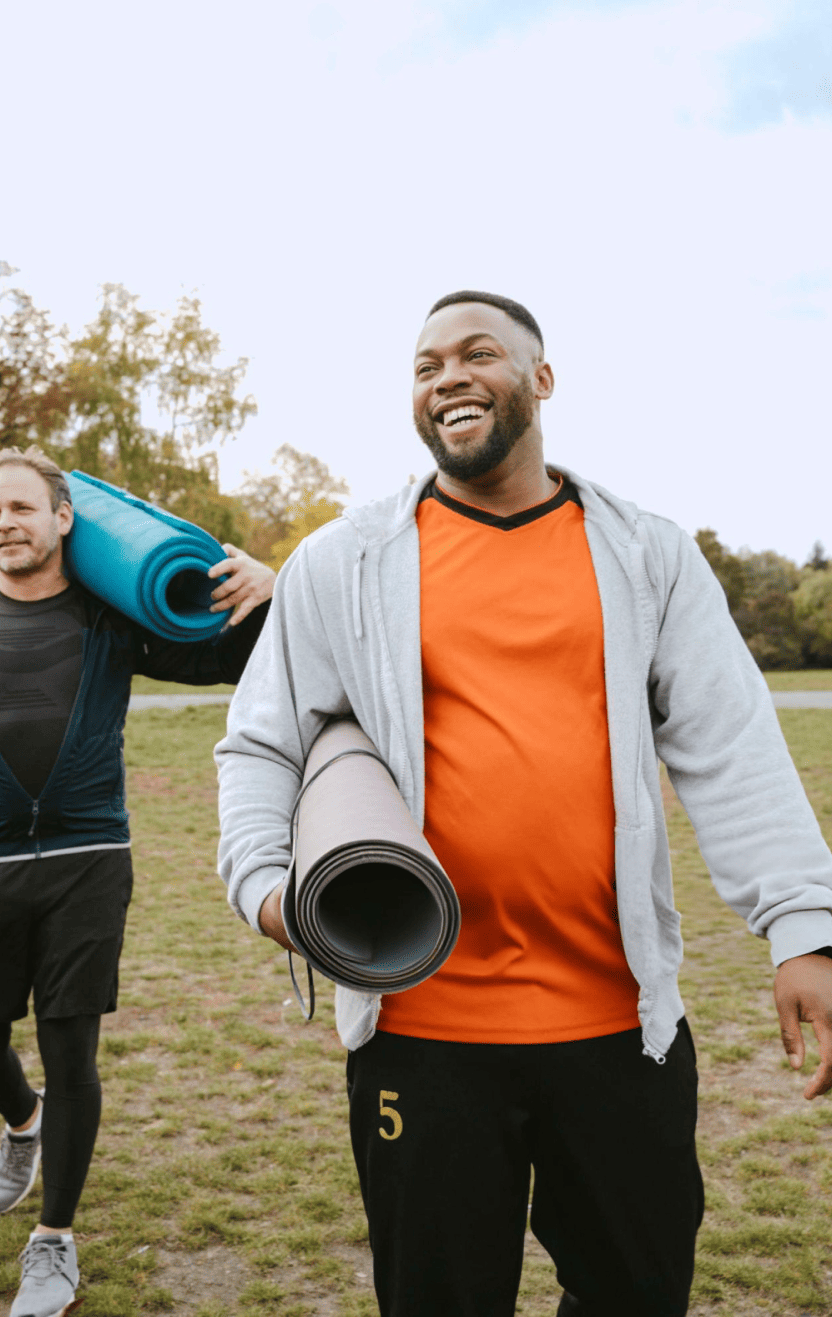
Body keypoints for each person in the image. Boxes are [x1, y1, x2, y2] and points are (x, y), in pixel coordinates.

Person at [215, 291, 832, 1317]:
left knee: (635, 1294)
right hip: (423, 1029)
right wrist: (266, 891)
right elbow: (262, 741)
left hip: (616, 1028)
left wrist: (802, 927)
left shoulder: (646, 553)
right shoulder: (344, 561)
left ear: (539, 380)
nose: (446, 376)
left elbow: (733, 747)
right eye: (423, 366)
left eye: (477, 353)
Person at [0, 445, 275, 1317]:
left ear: (62, 519)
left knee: (69, 1049)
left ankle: (53, 1244)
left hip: (87, 859)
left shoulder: (112, 617)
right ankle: (22, 1122)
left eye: (21, 507)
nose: (5, 523)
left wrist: (265, 597)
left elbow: (230, 664)